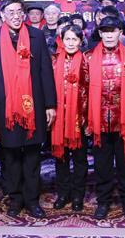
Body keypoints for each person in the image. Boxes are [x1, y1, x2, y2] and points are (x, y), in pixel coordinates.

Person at [0, 0, 56, 218]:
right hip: (6, 108)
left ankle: (32, 200)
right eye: (10, 12)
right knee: (10, 156)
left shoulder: (36, 36)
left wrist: (50, 104)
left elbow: (45, 72)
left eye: (19, 12)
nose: (16, 16)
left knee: (33, 155)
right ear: (3, 15)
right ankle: (15, 199)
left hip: (34, 105)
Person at [85, 15, 125, 220]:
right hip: (98, 121)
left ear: (120, 33)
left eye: (113, 30)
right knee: (102, 165)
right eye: (105, 31)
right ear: (100, 33)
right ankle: (103, 201)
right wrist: (87, 121)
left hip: (124, 120)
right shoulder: (88, 57)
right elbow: (84, 91)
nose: (109, 35)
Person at [50, 25, 89, 212]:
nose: (71, 43)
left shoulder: (86, 61)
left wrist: (88, 117)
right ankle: (63, 193)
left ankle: (77, 195)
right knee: (61, 158)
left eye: (75, 39)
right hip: (59, 118)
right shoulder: (54, 61)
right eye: (68, 39)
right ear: (61, 40)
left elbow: (91, 90)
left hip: (79, 118)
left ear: (81, 41)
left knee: (80, 159)